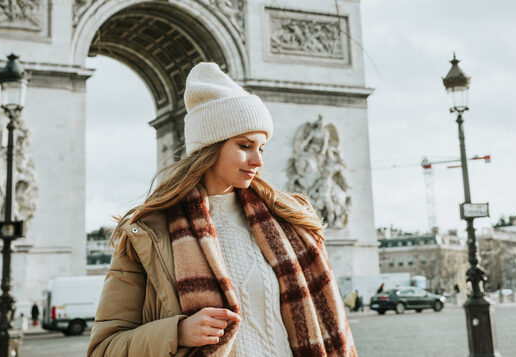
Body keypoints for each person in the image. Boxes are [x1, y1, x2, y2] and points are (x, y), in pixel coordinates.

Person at [88, 63, 355, 357]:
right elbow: (103, 349)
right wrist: (177, 333)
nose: (258, 161)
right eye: (245, 145)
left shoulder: (287, 221)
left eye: (262, 148)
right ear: (210, 146)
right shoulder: (148, 235)